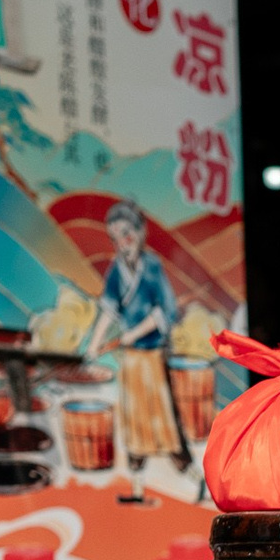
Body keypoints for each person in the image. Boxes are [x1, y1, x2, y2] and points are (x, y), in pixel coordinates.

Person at [89, 200, 189, 503]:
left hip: (151, 357)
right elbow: (108, 309)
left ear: (140, 233)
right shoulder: (116, 272)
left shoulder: (153, 268)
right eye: (116, 238)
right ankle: (136, 489)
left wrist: (134, 332)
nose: (122, 244)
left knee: (163, 423)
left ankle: (192, 480)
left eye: (127, 235)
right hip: (131, 360)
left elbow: (166, 311)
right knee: (134, 425)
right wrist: (94, 344)